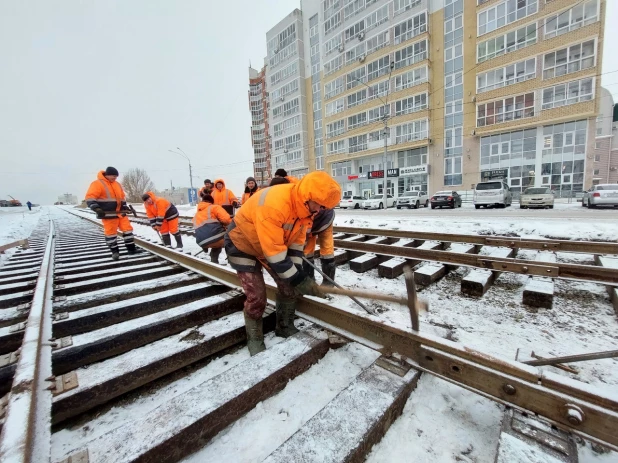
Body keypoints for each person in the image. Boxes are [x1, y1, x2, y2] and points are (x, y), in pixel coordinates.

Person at [224, 171, 341, 356]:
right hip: (242, 244)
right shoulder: (275, 204)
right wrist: (301, 281)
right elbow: (276, 255)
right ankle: (254, 338)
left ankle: (284, 326)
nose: (320, 211)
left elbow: (295, 248)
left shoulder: (305, 212)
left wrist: (297, 277)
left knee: (289, 285)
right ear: (309, 196)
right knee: (257, 295)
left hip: (268, 247)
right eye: (320, 205)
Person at [85, 167, 137, 260]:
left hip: (120, 213)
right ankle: (115, 252)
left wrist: (124, 207)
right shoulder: (97, 184)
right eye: (113, 176)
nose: (115, 178)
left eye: (116, 177)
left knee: (128, 230)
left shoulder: (117, 184)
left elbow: (122, 198)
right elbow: (90, 198)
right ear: (107, 175)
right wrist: (96, 208)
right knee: (111, 234)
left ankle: (131, 249)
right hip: (108, 215)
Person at [193, 193, 232, 264]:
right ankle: (231, 261)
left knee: (216, 237)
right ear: (211, 202)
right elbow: (227, 220)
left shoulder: (196, 215)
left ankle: (214, 260)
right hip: (217, 238)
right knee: (232, 239)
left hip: (201, 242)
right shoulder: (214, 207)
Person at [302, 208, 336, 287]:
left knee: (327, 250)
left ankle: (328, 283)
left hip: (325, 219)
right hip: (309, 222)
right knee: (307, 251)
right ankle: (310, 280)